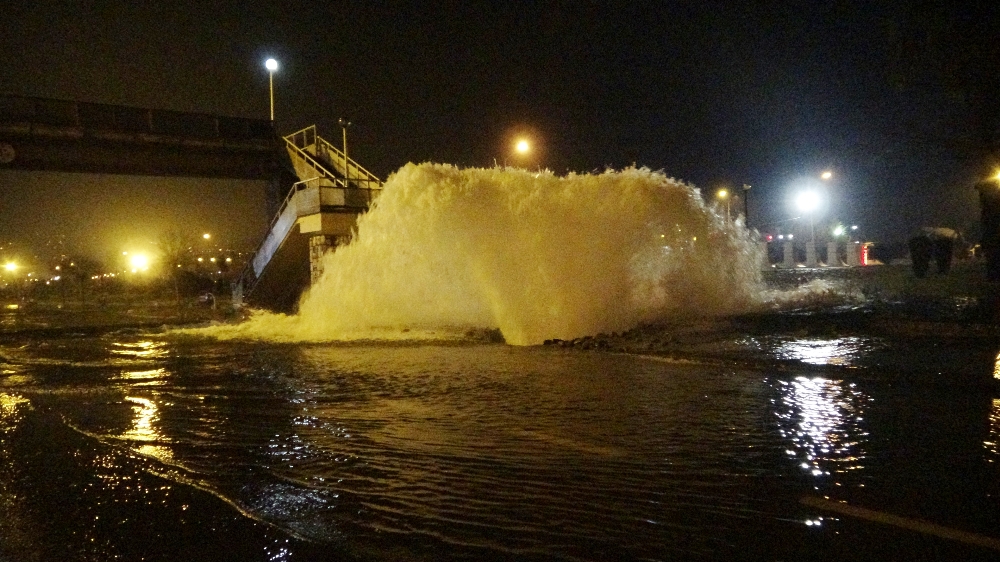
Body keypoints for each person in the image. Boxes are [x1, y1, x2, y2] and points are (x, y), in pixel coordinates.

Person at [976, 180, 1000, 281]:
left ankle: (993, 275)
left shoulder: (989, 209)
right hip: (992, 234)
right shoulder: (990, 209)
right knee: (993, 256)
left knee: (992, 256)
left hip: (992, 234)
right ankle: (993, 275)